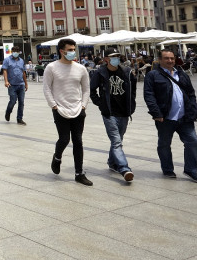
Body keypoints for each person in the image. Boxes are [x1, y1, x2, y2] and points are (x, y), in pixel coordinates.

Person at [143, 50, 197, 183]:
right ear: (160, 60)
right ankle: (168, 169)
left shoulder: (181, 74)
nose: (170, 61)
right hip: (165, 118)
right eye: (166, 58)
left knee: (193, 142)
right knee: (164, 144)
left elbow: (191, 93)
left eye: (172, 58)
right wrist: (156, 113)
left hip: (185, 117)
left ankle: (191, 170)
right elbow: (149, 95)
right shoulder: (153, 75)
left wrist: (194, 109)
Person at [43, 39, 93, 186]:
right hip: (60, 109)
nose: (72, 52)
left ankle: (79, 173)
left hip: (78, 109)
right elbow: (46, 88)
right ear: (61, 51)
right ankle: (57, 157)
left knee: (78, 141)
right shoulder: (51, 68)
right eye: (69, 50)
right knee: (64, 139)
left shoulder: (81, 68)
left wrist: (83, 105)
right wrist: (53, 106)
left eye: (73, 49)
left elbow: (86, 89)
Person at [90, 48, 137, 182]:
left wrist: (132, 103)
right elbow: (92, 90)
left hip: (124, 112)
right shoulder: (100, 72)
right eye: (113, 56)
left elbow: (133, 88)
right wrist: (101, 104)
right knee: (116, 142)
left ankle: (112, 162)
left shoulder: (126, 72)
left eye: (117, 56)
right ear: (106, 59)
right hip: (109, 113)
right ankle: (124, 169)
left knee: (118, 140)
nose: (116, 58)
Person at [2, 46, 28, 125]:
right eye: (14, 51)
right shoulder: (7, 60)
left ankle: (19, 118)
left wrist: (26, 83)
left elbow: (23, 72)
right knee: (13, 101)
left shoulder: (21, 61)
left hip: (21, 84)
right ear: (12, 51)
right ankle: (8, 112)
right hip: (12, 84)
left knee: (21, 102)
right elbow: (5, 70)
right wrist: (6, 81)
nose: (16, 52)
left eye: (17, 51)